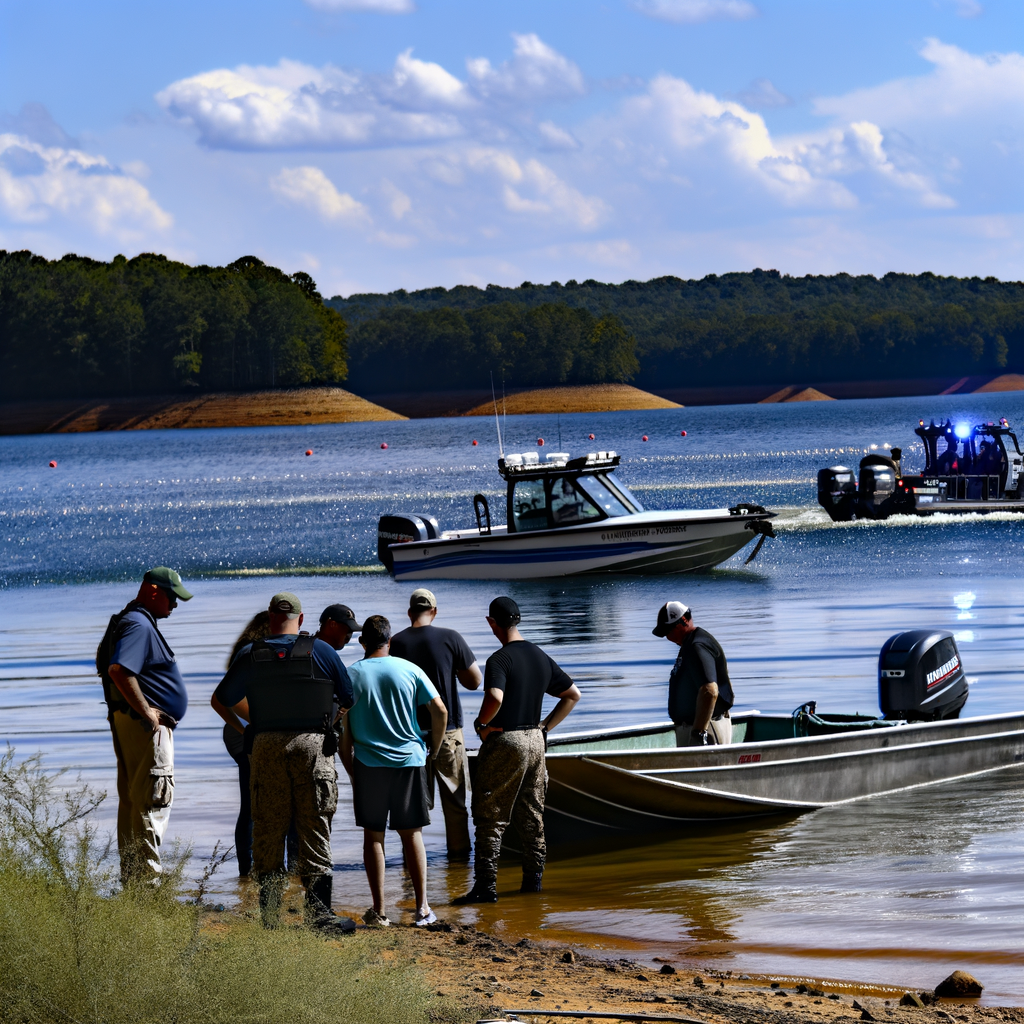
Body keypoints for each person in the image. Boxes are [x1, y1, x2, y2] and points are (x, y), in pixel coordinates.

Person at [211, 592, 354, 933]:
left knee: (268, 830)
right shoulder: (322, 651)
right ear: (302, 620)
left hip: (266, 746)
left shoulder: (250, 654)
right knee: (315, 827)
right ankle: (320, 916)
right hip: (312, 746)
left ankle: (270, 920)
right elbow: (348, 698)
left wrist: (247, 728)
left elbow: (220, 700)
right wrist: (328, 724)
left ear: (271, 617)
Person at [454, 597, 581, 905]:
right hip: (536, 741)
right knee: (532, 815)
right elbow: (572, 694)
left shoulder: (499, 659)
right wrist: (545, 727)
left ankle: (486, 888)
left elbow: (495, 698)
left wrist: (481, 724)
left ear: (491, 622)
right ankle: (532, 887)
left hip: (506, 740)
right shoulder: (539, 655)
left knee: (490, 815)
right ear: (519, 619)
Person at [341, 615, 448, 928]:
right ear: (390, 641)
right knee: (412, 834)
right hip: (409, 760)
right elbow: (439, 710)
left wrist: (351, 770)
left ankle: (380, 911)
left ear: (362, 642)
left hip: (368, 764)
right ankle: (422, 909)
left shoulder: (351, 674)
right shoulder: (409, 669)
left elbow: (344, 732)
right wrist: (435, 748)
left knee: (373, 835)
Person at [98, 566, 193, 884]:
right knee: (152, 801)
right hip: (144, 728)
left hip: (128, 723)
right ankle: (147, 887)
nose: (175, 605)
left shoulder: (128, 620)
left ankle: (134, 884)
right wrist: (149, 714)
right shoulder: (138, 624)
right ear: (153, 591)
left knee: (133, 802)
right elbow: (119, 671)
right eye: (171, 597)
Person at [389, 588, 482, 860]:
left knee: (412, 807)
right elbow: (475, 681)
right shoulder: (451, 637)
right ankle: (460, 864)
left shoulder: (394, 643)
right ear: (435, 611)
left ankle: (412, 869)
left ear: (409, 613)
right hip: (449, 732)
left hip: (409, 734)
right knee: (455, 804)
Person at [652, 601, 734, 747]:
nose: (667, 638)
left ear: (682, 621)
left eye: (668, 631)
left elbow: (710, 690)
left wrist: (698, 733)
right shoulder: (692, 643)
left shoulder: (697, 646)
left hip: (706, 730)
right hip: (703, 727)